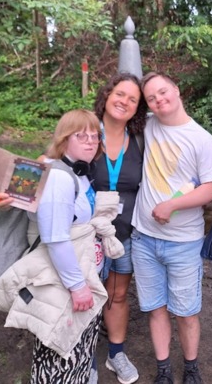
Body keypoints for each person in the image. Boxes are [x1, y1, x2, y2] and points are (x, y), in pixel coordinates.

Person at [0, 109, 121, 384]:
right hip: (64, 282)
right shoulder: (59, 177)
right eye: (80, 135)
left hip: (79, 272)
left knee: (77, 348)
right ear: (64, 139)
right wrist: (78, 286)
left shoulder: (77, 172)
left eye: (94, 136)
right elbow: (56, 238)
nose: (90, 142)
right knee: (60, 354)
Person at [130, 72, 212, 384]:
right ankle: (163, 370)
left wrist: (172, 205)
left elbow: (210, 187)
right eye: (151, 98)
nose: (159, 100)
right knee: (155, 309)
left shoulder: (201, 139)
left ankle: (191, 368)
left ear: (177, 90)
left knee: (186, 311)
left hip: (183, 242)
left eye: (163, 92)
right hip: (143, 238)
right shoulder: (147, 125)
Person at [92, 72, 147, 384]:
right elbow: (55, 160)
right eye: (120, 94)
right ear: (107, 94)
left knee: (118, 292)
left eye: (133, 99)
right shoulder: (86, 129)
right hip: (85, 232)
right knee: (83, 291)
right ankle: (82, 356)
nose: (124, 101)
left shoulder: (139, 140)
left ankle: (116, 353)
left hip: (123, 233)